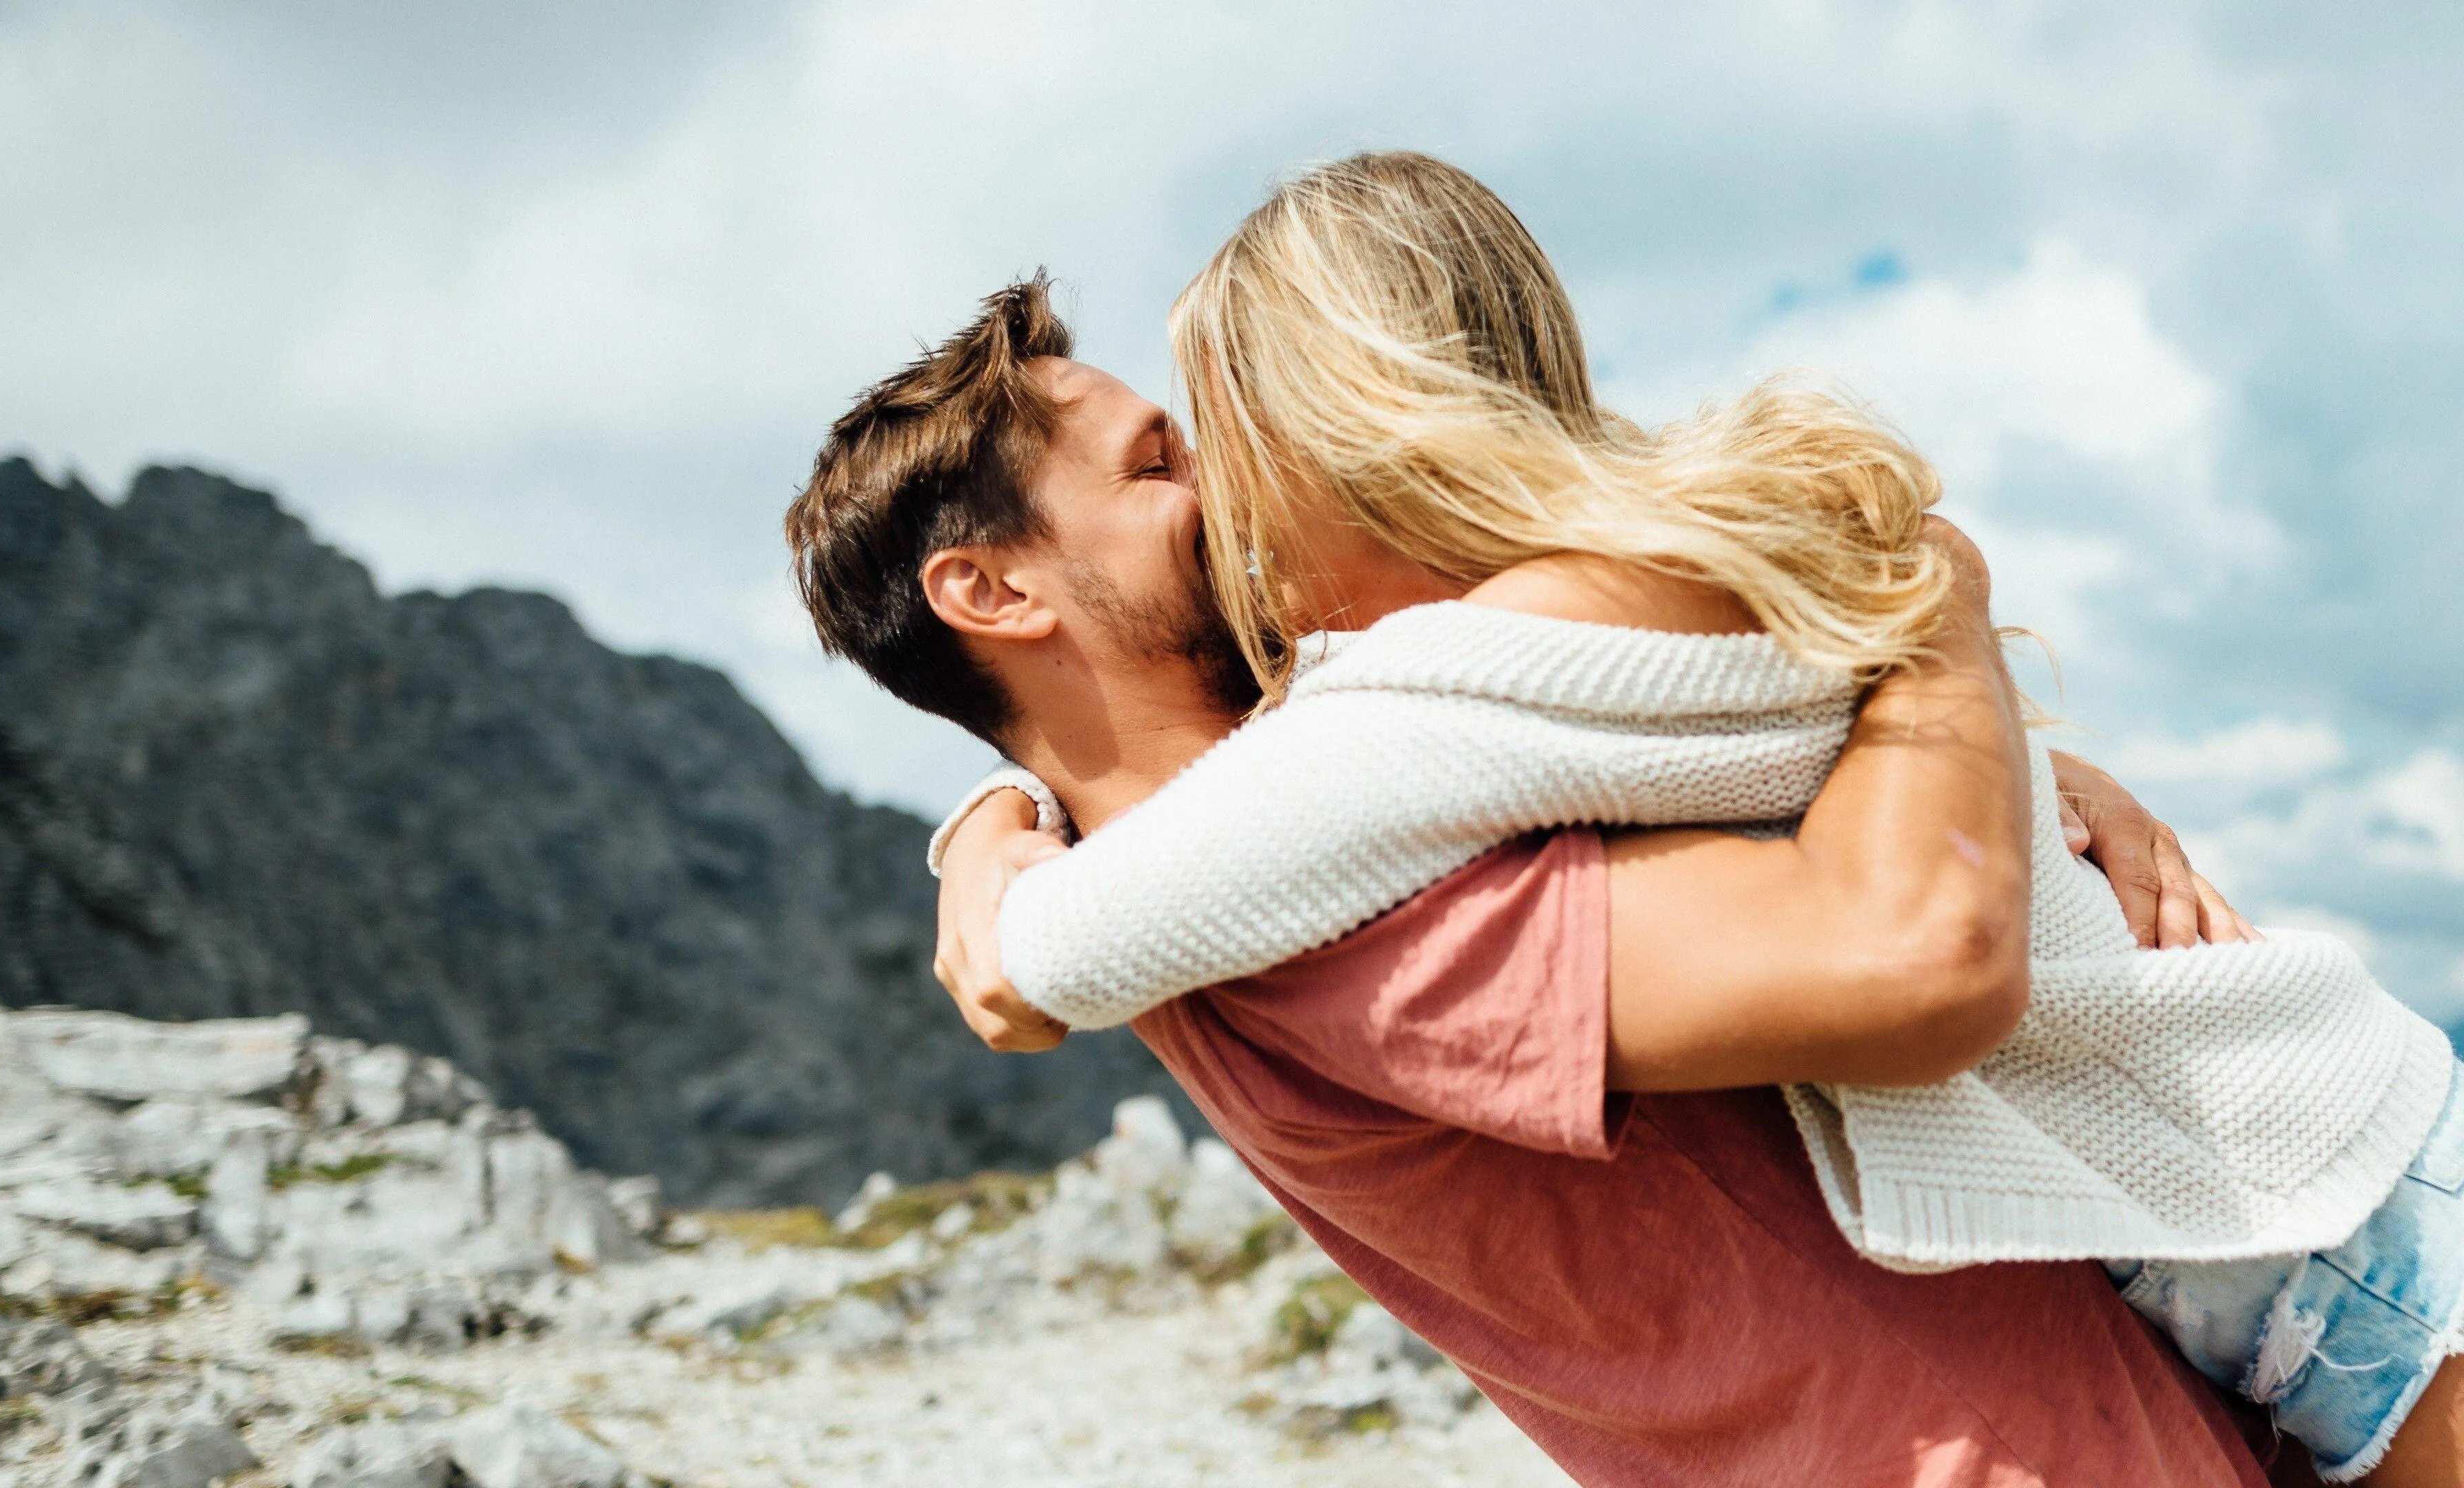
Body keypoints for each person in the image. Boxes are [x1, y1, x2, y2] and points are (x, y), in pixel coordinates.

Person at [917, 154, 2464, 1486]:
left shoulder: (1455, 684)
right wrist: (999, 795)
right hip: (2312, 1188)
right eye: (1160, 463)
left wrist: (998, 870)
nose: (1220, 510)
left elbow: (1068, 940)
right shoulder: (1647, 585)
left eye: (1214, 448)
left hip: (2335, 1234)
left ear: (1336, 432)